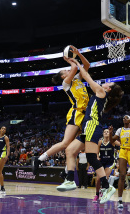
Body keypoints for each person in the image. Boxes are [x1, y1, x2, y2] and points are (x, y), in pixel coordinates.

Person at [55, 56, 124, 204]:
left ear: (109, 88)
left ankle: (106, 186)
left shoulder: (101, 91)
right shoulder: (100, 95)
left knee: (92, 158)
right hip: (88, 126)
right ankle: (70, 180)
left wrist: (75, 62)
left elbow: (86, 76)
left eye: (109, 83)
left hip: (93, 125)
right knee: (70, 150)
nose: (106, 82)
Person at [32, 46, 90, 175]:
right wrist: (69, 59)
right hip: (77, 113)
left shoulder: (77, 79)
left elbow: (87, 65)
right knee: (65, 143)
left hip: (86, 115)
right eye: (66, 70)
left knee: (80, 144)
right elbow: (75, 68)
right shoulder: (66, 83)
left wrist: (79, 54)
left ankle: (65, 171)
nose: (69, 70)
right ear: (64, 76)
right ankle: (40, 159)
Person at [109, 115, 130, 208]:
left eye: (127, 117)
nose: (124, 118)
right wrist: (110, 133)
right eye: (123, 118)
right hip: (123, 151)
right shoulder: (120, 130)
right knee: (122, 175)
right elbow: (112, 141)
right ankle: (120, 200)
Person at [93, 129, 120, 202]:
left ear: (109, 133)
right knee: (98, 180)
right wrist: (97, 157)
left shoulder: (112, 141)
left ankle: (103, 192)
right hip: (102, 162)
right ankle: (97, 194)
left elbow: (120, 144)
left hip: (110, 162)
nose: (106, 133)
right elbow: (96, 152)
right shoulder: (100, 142)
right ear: (103, 134)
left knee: (104, 177)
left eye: (107, 132)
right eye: (105, 132)